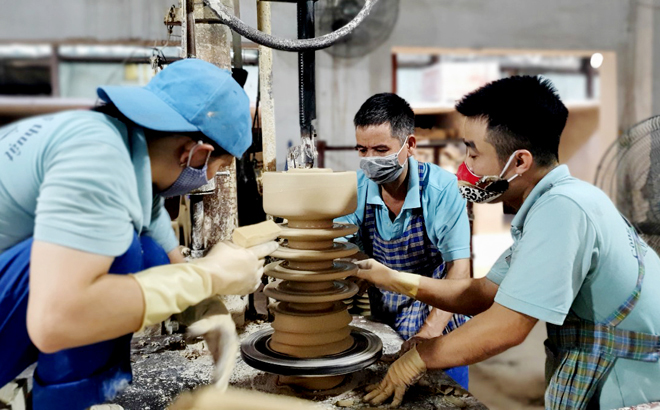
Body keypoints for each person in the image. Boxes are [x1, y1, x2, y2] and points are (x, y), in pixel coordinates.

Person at [354, 76, 660, 409]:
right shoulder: (554, 205)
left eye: (473, 152)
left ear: (519, 162)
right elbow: (484, 293)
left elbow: (506, 326)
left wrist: (420, 357)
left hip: (636, 390)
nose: (466, 166)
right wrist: (396, 280)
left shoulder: (563, 209)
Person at [0, 58, 278, 410]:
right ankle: (70, 402)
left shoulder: (118, 144)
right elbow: (57, 317)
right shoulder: (97, 156)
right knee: (123, 255)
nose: (210, 177)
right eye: (219, 168)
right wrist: (209, 275)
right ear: (196, 154)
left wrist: (202, 306)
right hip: (48, 313)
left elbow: (159, 244)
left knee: (144, 251)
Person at [336, 93, 472, 389]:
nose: (370, 160)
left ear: (409, 145)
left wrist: (427, 336)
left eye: (381, 149)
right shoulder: (357, 190)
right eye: (362, 150)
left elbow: (460, 271)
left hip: (440, 320)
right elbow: (341, 251)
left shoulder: (441, 190)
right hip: (387, 317)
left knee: (444, 398)